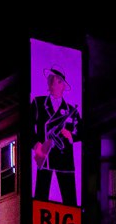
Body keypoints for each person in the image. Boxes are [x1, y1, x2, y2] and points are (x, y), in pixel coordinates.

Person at [30, 67, 81, 206]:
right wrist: (35, 144)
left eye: (59, 82)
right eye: (52, 81)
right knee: (41, 196)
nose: (55, 84)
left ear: (64, 86)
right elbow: (28, 126)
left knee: (70, 200)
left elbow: (82, 131)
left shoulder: (71, 110)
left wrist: (70, 135)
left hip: (64, 158)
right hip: (44, 154)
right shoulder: (38, 103)